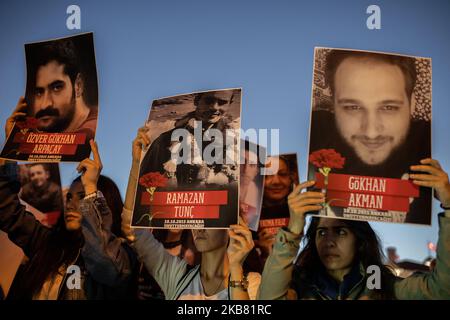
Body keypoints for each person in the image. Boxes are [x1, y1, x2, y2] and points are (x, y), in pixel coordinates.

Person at [258, 158, 450, 300]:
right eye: (321, 232)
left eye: (341, 231)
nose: (328, 242)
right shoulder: (299, 284)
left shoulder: (383, 285)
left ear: (359, 239)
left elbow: (441, 290)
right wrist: (293, 229)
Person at [121, 127, 260, 300]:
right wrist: (138, 164)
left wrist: (236, 270)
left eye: (208, 217)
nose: (198, 227)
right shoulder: (176, 276)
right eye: (196, 217)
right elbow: (133, 230)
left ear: (232, 223)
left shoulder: (253, 283)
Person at [0, 139, 136, 299]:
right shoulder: (46, 242)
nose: (71, 205)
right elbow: (6, 209)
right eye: (69, 197)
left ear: (106, 204)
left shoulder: (122, 255)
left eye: (82, 197)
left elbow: (105, 264)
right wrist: (12, 146)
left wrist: (91, 187)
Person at [309, 50, 431, 224]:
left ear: (412, 104)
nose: (371, 132)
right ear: (333, 103)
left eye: (389, 107)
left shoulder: (429, 142)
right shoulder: (314, 130)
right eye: (353, 107)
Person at [8, 38, 98, 140]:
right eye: (38, 92)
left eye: (57, 88)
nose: (45, 104)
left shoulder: (92, 133)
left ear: (78, 85)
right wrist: (11, 141)